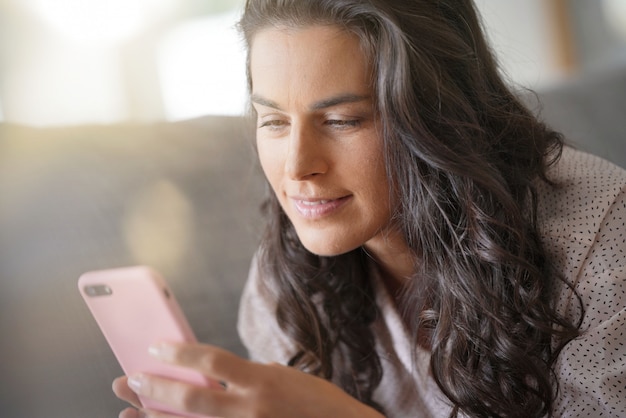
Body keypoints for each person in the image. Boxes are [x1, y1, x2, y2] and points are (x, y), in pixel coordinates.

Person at [113, 0, 626, 417]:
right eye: (273, 121)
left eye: (341, 120)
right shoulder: (285, 281)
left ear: (440, 118)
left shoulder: (600, 231)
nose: (297, 167)